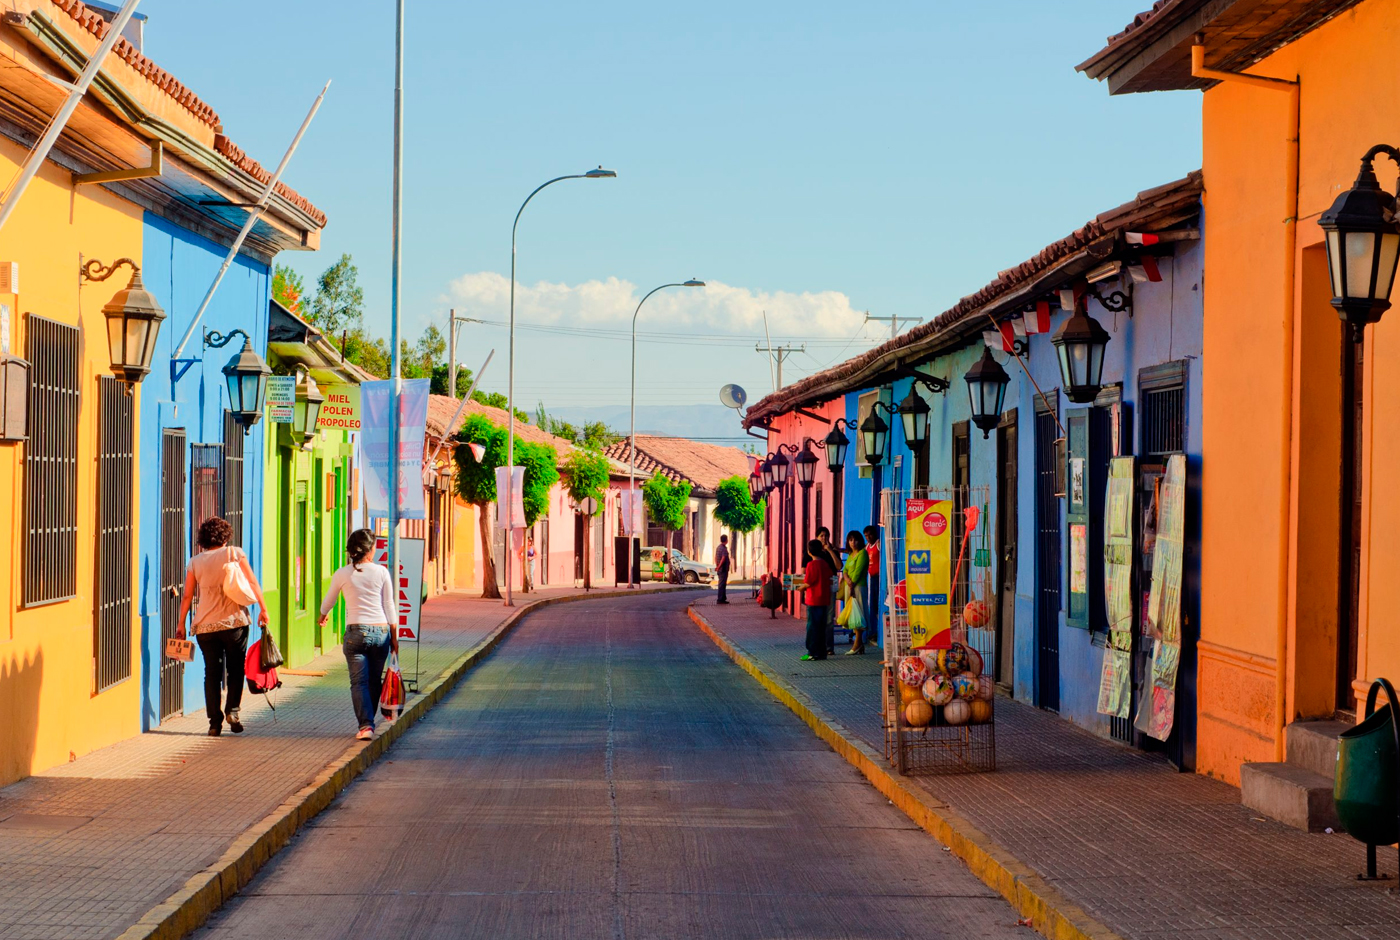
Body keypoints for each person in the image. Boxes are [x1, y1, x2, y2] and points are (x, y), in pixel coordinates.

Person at [176, 516, 269, 737]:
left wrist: (181, 624)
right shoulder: (234, 553)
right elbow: (253, 582)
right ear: (225, 536)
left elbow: (187, 596)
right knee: (236, 669)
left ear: (203, 539)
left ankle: (214, 723)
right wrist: (264, 609)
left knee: (212, 673)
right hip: (234, 622)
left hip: (205, 627)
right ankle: (233, 712)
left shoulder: (195, 561)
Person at [318, 528, 399, 740]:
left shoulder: (342, 573)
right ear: (370, 550)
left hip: (355, 633)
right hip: (381, 632)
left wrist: (322, 615)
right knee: (374, 679)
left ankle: (366, 725)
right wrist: (395, 636)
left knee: (358, 682)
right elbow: (389, 604)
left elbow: (329, 600)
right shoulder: (381, 572)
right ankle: (369, 722)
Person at [801, 539, 835, 661]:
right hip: (824, 600)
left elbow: (809, 582)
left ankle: (812, 652)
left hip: (813, 600)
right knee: (822, 627)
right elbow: (830, 575)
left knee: (812, 627)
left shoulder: (811, 565)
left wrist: (800, 588)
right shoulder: (825, 564)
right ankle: (822, 652)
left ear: (809, 552)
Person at [839, 530, 869, 654]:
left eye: (855, 540)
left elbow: (858, 572)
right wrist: (846, 579)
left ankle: (857, 644)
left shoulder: (862, 553)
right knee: (853, 615)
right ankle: (859, 645)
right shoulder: (851, 554)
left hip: (858, 588)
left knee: (859, 614)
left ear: (860, 541)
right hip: (849, 587)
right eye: (850, 540)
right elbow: (845, 569)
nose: (853, 542)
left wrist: (851, 584)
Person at [815, 527, 844, 654]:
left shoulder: (833, 551)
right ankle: (818, 645)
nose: (824, 538)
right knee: (818, 617)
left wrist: (830, 551)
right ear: (817, 537)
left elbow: (839, 566)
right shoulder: (813, 551)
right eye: (821, 535)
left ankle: (829, 647)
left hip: (831, 586)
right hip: (817, 587)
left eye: (826, 535)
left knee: (829, 617)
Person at [864, 524, 882, 648]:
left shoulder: (878, 544)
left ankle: (877, 632)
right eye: (866, 536)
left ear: (875, 534)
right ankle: (873, 632)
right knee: (872, 606)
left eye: (870, 534)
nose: (868, 537)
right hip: (871, 578)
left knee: (877, 605)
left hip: (879, 577)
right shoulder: (867, 547)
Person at [714, 534, 731, 604]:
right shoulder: (724, 549)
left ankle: (723, 598)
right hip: (723, 569)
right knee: (722, 584)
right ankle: (720, 599)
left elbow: (715, 557)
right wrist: (719, 566)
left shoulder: (718, 547)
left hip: (719, 569)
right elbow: (723, 558)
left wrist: (717, 565)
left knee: (722, 584)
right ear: (726, 540)